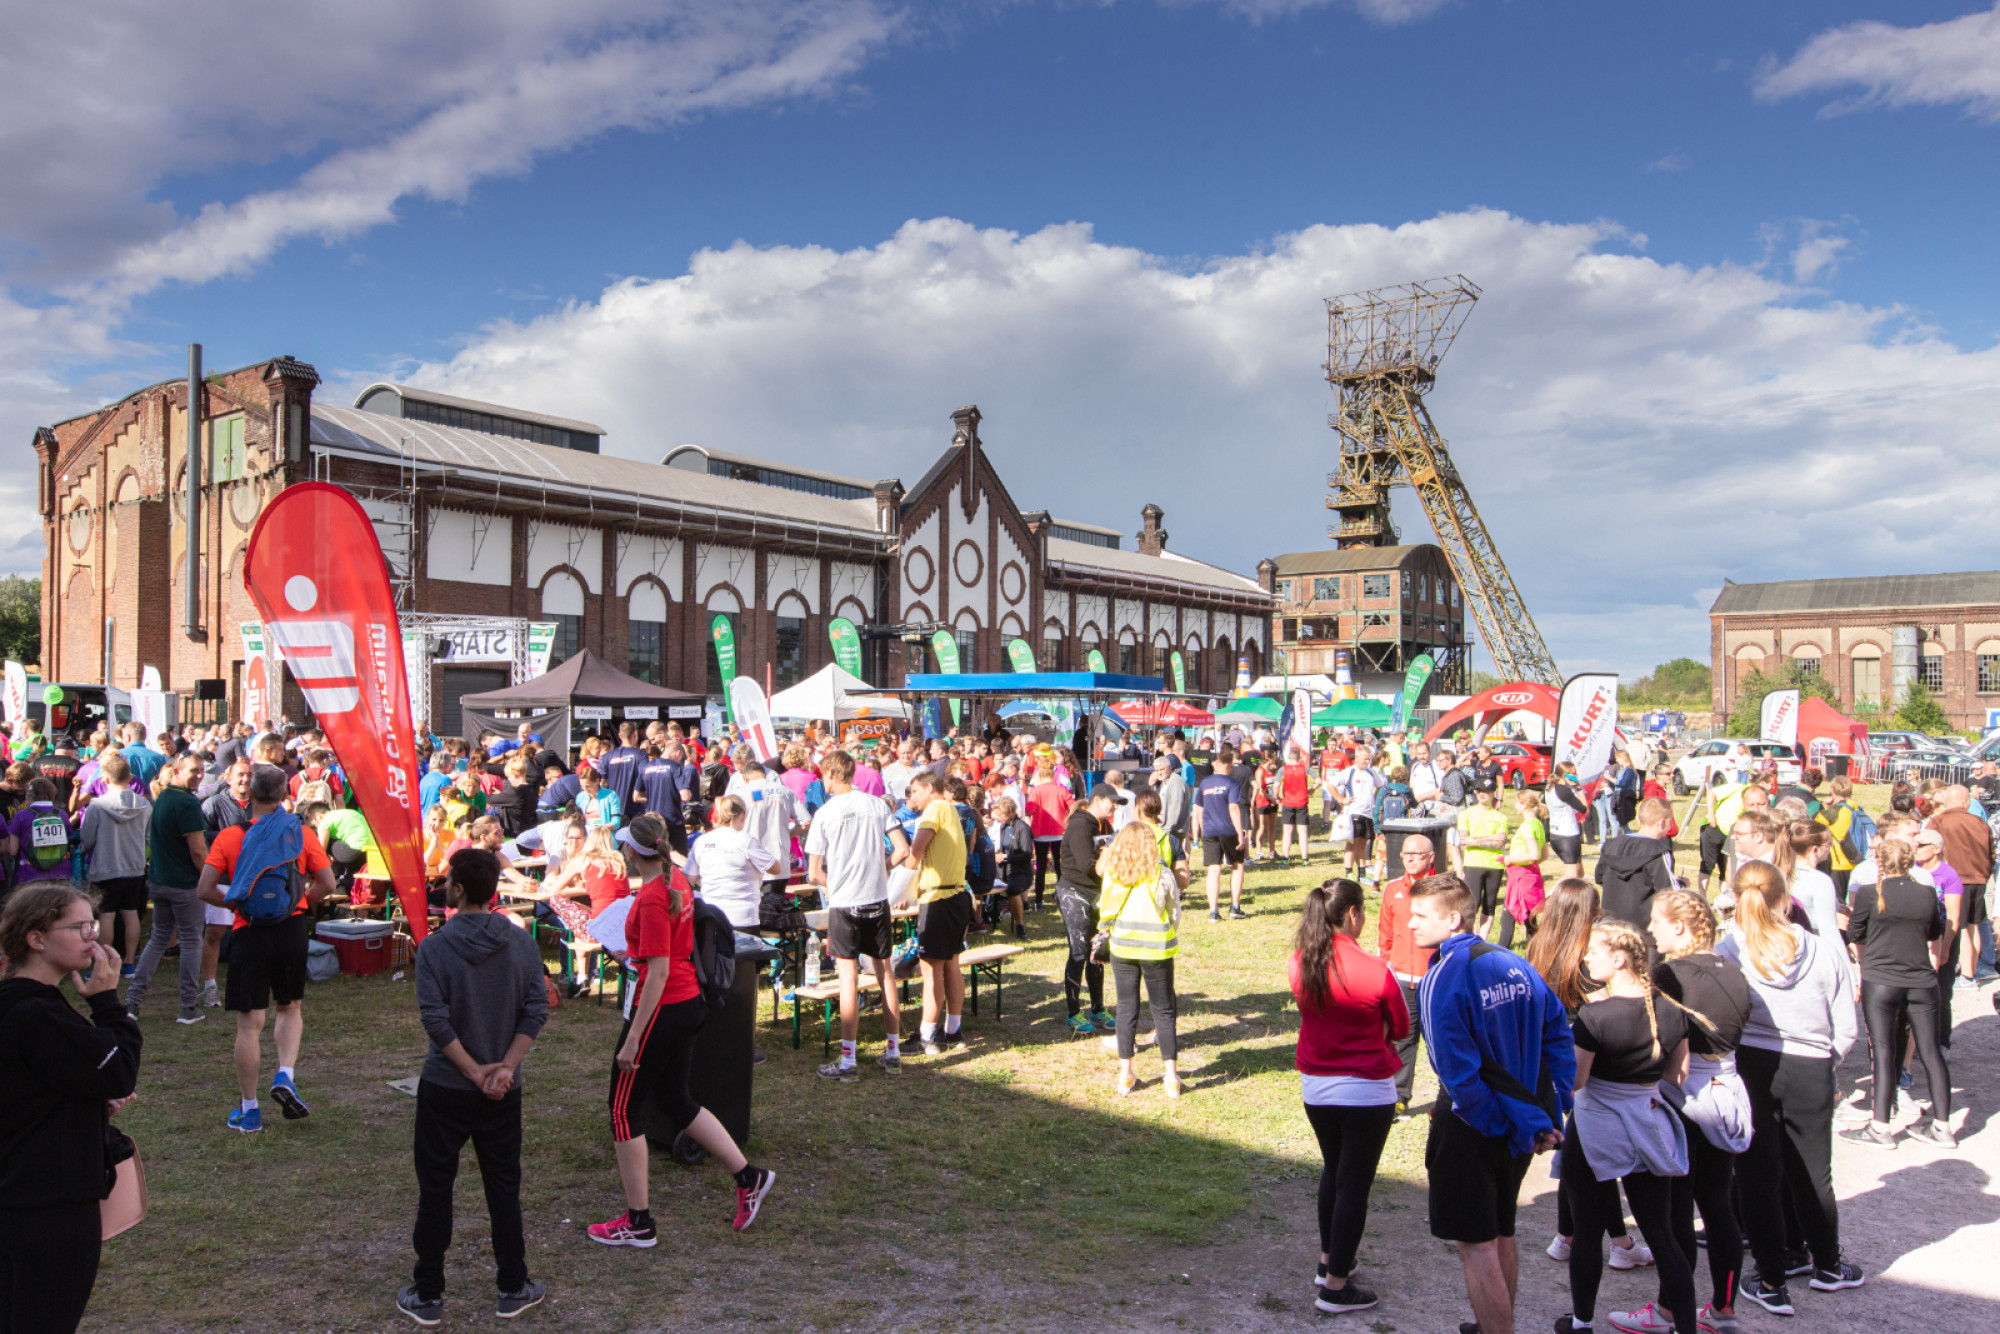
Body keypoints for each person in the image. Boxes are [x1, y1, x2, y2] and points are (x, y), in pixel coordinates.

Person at [591, 815, 775, 1246]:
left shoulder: (653, 897)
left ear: (633, 852)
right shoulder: (677, 883)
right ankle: (748, 1177)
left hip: (663, 1006)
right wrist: (634, 954)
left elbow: (657, 974)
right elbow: (668, 951)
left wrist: (633, 1038)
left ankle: (638, 1222)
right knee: (676, 1099)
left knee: (622, 1110)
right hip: (686, 1001)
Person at [1411, 872, 1573, 1334]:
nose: (1411, 925)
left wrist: (1497, 1121)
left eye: (1420, 916)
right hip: (1519, 1127)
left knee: (1477, 1244)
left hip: (1476, 1126)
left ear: (1453, 919)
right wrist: (1548, 1111)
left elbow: (1454, 1070)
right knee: (1503, 1230)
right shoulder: (1514, 962)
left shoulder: (1443, 975)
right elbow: (1558, 1035)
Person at [399, 847, 549, 1326]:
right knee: (503, 1187)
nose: (443, 885)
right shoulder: (521, 943)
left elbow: (435, 1021)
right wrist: (504, 1068)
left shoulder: (434, 947)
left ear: (459, 889)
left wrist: (471, 1071)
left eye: (447, 880)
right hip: (501, 1089)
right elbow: (536, 1009)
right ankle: (512, 1285)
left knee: (435, 1188)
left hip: (446, 1086)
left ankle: (428, 1293)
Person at [1716, 861, 1862, 1314]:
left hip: (1752, 1064)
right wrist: (1827, 1061)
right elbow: (1846, 1026)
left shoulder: (1730, 948)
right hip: (1811, 1064)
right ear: (1785, 899)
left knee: (1757, 1176)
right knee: (1815, 1174)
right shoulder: (1821, 949)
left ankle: (1772, 1280)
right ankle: (1828, 1264)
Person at [0, 883, 142, 1334]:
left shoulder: (15, 1004)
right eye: (80, 928)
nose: (93, 937)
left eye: (92, 925)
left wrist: (87, 1098)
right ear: (36, 939)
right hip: (48, 1207)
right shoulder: (37, 1013)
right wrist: (106, 1003)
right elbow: (120, 1070)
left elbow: (26, 1087)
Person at [1559, 917, 1697, 1334]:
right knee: (1661, 1233)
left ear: (1619, 959)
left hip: (1596, 1124)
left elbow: (1577, 1080)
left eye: (1593, 951)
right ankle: (1685, 1327)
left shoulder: (1594, 1015)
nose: (1586, 958)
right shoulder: (1672, 1010)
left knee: (1587, 1231)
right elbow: (1679, 1074)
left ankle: (1581, 1322)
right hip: (1648, 1122)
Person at [196, 765, 338, 1132]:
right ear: (284, 796)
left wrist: (237, 904)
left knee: (249, 1024)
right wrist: (298, 902)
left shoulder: (229, 836)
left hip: (249, 931)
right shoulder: (301, 832)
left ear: (250, 795)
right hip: (291, 928)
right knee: (289, 1008)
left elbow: (204, 889)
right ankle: (285, 1074)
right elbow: (327, 883)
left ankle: (250, 1110)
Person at [1291, 878, 1406, 1316]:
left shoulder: (1300, 960)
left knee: (1334, 1170)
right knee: (1354, 1184)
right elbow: (1401, 1026)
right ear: (1353, 914)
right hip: (1366, 1088)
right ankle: (1335, 1287)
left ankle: (1329, 1262)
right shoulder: (1376, 969)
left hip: (1317, 1085)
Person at [1647, 891, 1753, 1334]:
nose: (1650, 929)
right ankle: (1724, 1310)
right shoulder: (1734, 969)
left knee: (1678, 1211)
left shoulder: (1668, 974)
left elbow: (1662, 1043)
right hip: (1726, 1091)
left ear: (1679, 927)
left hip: (1683, 1096)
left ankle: (1669, 1310)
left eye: (1655, 921)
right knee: (1717, 1203)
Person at [1840, 837, 1955, 1149]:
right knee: (1930, 1051)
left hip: (1881, 979)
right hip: (1921, 979)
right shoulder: (1927, 892)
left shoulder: (1869, 892)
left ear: (1879, 862)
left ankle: (1880, 1127)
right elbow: (1934, 931)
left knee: (1883, 1050)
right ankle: (1943, 1126)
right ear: (1910, 861)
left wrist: (1867, 957)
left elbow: (1855, 933)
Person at [807, 751, 911, 1081]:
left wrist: (833, 883)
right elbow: (903, 850)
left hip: (844, 903)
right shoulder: (877, 805)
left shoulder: (825, 813)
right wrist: (882, 869)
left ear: (831, 774)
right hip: (876, 899)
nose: (822, 781)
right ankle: (892, 1053)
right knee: (885, 975)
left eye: (823, 775)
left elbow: (813, 872)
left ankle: (848, 1060)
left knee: (848, 980)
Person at [1096, 821, 1182, 1096]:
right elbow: (1174, 910)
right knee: (1164, 1010)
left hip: (1123, 947)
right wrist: (1170, 928)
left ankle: (1126, 1074)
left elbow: (1106, 908)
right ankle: (1171, 1077)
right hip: (1157, 948)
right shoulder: (1161, 872)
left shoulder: (1114, 873)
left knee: (1126, 1008)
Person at [125, 752, 211, 1024]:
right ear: (177, 772)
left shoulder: (162, 797)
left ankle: (132, 1001)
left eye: (201, 770)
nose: (198, 775)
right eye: (193, 771)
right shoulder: (186, 802)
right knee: (190, 942)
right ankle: (188, 1007)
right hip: (183, 885)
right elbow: (198, 851)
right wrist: (209, 878)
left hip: (160, 882)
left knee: (158, 939)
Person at [901, 771, 974, 1056]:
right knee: (951, 965)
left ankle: (927, 1036)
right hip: (956, 895)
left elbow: (915, 853)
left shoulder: (934, 809)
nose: (912, 798)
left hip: (939, 899)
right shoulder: (951, 809)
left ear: (929, 788)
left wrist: (897, 886)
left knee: (931, 970)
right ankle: (953, 1030)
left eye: (915, 791)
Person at [1375, 834, 1437, 1113]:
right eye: (1405, 854)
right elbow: (1385, 934)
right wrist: (1388, 967)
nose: (1410, 859)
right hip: (1401, 979)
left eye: (1417, 854)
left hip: (1434, 979)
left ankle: (1450, 1097)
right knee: (1402, 1039)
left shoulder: (1443, 889)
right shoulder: (1392, 889)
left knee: (1442, 1041)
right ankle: (1399, 1097)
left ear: (1431, 857)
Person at [77, 753, 152, 981]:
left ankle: (104, 964)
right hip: (134, 867)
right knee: (131, 914)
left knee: (106, 917)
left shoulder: (97, 805)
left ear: (105, 779)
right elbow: (148, 837)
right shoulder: (144, 804)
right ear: (130, 778)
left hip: (105, 866)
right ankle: (128, 963)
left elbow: (87, 839)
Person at [1055, 784, 1118, 1035]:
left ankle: (1098, 1009)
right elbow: (1088, 866)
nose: (1115, 807)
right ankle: (1073, 1013)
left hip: (1096, 894)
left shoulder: (1104, 825)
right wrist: (1108, 854)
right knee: (1079, 952)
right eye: (1112, 801)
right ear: (1098, 800)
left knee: (1098, 952)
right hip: (1074, 892)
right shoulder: (1081, 825)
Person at [681, 795, 776, 934]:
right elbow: (775, 868)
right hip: (743, 917)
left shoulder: (702, 841)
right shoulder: (747, 841)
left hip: (711, 914)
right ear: (743, 815)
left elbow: (688, 878)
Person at [1594, 795, 1676, 928]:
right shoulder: (1658, 852)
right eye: (1670, 821)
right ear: (1661, 822)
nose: (1670, 826)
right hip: (1643, 928)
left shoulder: (1611, 845)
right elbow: (1668, 891)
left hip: (1609, 925)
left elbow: (1599, 877)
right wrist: (1682, 883)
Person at [1192, 748, 1247, 922]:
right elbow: (1234, 808)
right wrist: (1240, 833)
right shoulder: (1232, 783)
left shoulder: (1205, 783)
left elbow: (1199, 808)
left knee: (1214, 869)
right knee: (1237, 865)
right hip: (1228, 830)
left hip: (1210, 830)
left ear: (1216, 764)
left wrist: (1202, 829)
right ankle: (1235, 907)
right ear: (1230, 765)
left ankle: (1213, 911)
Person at [1499, 787, 1548, 950]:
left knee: (1508, 915)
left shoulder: (1527, 826)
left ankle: (1500, 951)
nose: (1515, 806)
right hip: (1532, 875)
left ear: (1525, 804)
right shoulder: (1538, 824)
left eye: (1517, 803)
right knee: (1530, 918)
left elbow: (1534, 854)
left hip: (1522, 878)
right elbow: (1544, 855)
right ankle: (1537, 950)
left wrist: (1510, 859)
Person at [1456, 781, 1507, 937]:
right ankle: (1467, 935)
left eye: (1486, 791)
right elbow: (1464, 840)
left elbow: (1499, 842)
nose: (1482, 794)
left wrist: (1476, 841)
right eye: (1479, 791)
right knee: (1473, 902)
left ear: (1493, 794)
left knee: (1490, 904)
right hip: (1474, 863)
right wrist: (1490, 838)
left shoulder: (1501, 817)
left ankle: (1483, 939)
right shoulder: (1466, 814)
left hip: (1495, 864)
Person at [2, 778, 72, 891]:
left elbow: (13, 850)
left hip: (29, 874)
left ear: (30, 796)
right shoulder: (62, 815)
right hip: (60, 873)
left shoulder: (21, 815)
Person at [1332, 746, 1381, 885]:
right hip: (1354, 812)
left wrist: (1374, 800)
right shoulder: (1349, 772)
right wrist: (1341, 799)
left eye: (1368, 759)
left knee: (1363, 843)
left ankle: (1362, 874)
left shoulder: (1371, 773)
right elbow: (1331, 784)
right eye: (1364, 759)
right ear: (1357, 757)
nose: (1367, 762)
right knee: (1352, 842)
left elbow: (1380, 785)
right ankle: (1349, 873)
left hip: (1368, 814)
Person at [988, 795, 1034, 941]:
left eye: (1001, 814)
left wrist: (1006, 857)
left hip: (1021, 872)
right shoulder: (1003, 827)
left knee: (1012, 890)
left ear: (1011, 813)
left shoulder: (1023, 828)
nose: (999, 817)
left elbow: (1027, 855)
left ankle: (1020, 925)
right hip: (1004, 870)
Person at [1546, 764, 1586, 879]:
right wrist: (1579, 788)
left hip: (1556, 835)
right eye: (1573, 774)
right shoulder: (1564, 791)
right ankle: (1556, 891)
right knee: (1571, 877)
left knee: (1579, 874)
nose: (1576, 775)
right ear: (1565, 775)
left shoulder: (1550, 787)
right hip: (1567, 836)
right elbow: (1584, 808)